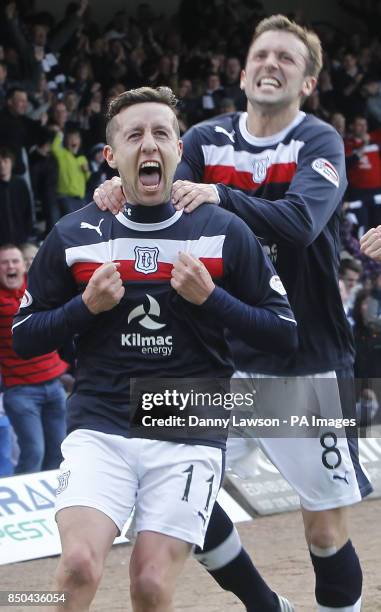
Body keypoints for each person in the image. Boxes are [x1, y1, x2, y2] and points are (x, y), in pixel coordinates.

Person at [94, 15, 372, 612]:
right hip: (217, 355)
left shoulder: (318, 141)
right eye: (261, 55)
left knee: (324, 529)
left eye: (287, 59)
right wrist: (116, 187)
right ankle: (265, 605)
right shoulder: (204, 140)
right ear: (243, 73)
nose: (271, 64)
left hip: (304, 360)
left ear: (308, 83)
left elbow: (300, 224)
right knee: (161, 491)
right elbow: (160, 194)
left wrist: (222, 196)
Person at [12, 86, 297, 612]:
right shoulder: (75, 234)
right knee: (76, 567)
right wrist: (84, 308)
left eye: (161, 133)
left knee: (148, 583)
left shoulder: (222, 230)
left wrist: (212, 298)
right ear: (110, 155)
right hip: (100, 423)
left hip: (189, 429)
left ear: (178, 149)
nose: (149, 144)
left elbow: (283, 334)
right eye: (134, 135)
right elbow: (23, 334)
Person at [0, 244, 67, 474]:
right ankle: (18, 510)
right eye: (4, 262)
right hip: (21, 392)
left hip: (54, 385)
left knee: (58, 453)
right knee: (34, 452)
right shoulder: (29, 297)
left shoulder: (36, 290)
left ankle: (51, 507)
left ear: (24, 266)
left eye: (15, 261)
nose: (10, 266)